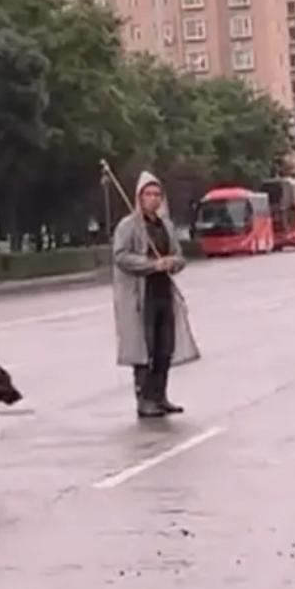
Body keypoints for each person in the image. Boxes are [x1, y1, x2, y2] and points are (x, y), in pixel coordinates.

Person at [112, 171, 200, 418]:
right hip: (141, 297)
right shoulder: (128, 226)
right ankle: (144, 400)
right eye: (148, 194)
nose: (152, 199)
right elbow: (121, 257)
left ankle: (160, 396)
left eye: (156, 194)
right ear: (139, 197)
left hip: (164, 293)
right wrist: (151, 265)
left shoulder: (166, 226)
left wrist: (174, 262)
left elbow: (178, 255)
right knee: (144, 348)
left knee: (164, 348)